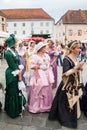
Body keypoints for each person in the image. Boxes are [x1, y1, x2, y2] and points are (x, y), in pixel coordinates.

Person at [48, 40, 85, 129]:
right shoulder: (66, 58)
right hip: (67, 83)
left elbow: (74, 69)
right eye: (77, 48)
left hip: (75, 81)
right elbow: (65, 73)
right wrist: (76, 67)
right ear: (72, 49)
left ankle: (76, 112)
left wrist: (79, 68)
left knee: (74, 97)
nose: (79, 49)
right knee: (67, 99)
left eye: (79, 48)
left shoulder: (75, 57)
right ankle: (65, 116)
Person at [27, 42, 54, 113]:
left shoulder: (46, 55)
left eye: (45, 47)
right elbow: (31, 66)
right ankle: (37, 107)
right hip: (38, 75)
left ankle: (45, 106)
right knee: (38, 89)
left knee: (46, 89)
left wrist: (48, 66)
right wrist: (40, 67)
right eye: (44, 47)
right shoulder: (34, 56)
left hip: (47, 75)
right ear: (40, 48)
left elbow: (48, 63)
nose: (45, 48)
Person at [4, 34, 26, 118]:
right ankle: (12, 110)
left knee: (17, 90)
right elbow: (12, 66)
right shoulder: (8, 53)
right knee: (12, 91)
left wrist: (20, 68)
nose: (17, 43)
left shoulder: (15, 51)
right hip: (12, 73)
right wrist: (19, 73)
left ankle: (17, 107)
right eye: (16, 42)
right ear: (12, 42)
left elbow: (19, 62)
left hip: (18, 71)